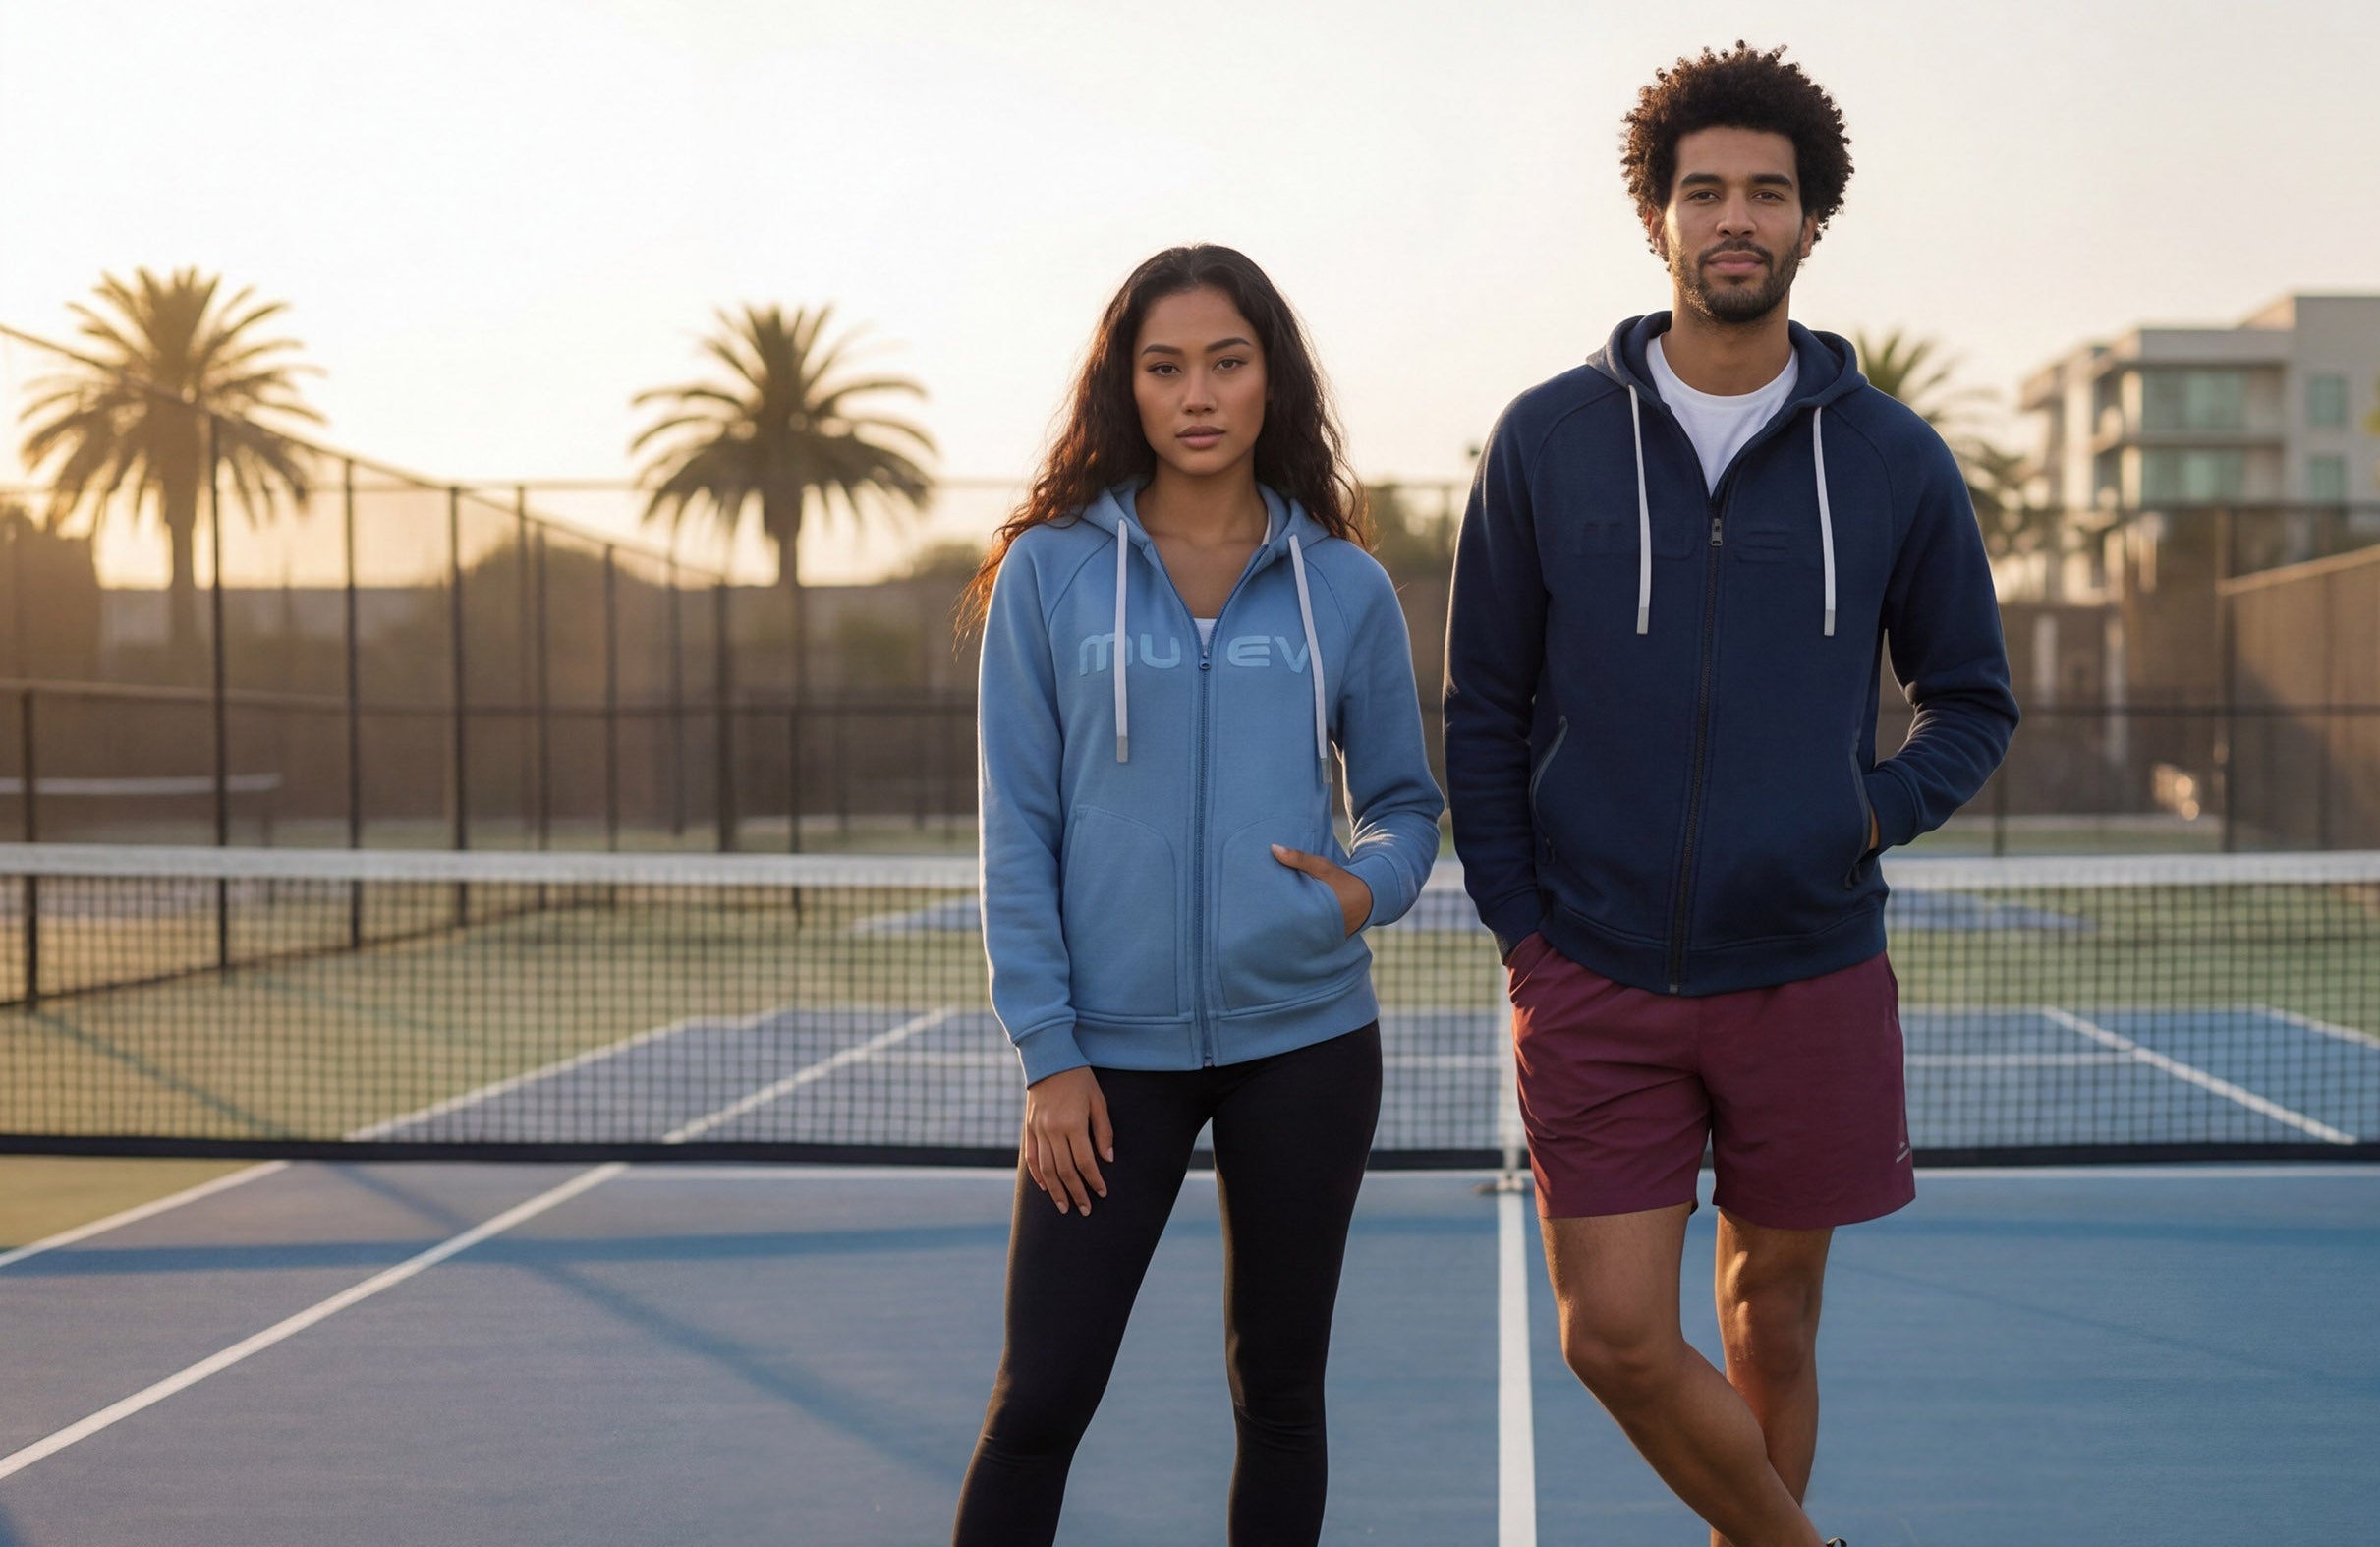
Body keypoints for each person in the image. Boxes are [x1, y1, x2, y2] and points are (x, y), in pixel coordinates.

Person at [1444, 43, 2017, 1547]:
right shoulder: (1544, 439)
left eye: (1767, 191)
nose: (1734, 218)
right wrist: (1523, 923)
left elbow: (1970, 695)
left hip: (1810, 965)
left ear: (1809, 221)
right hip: (1593, 962)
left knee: (1773, 1322)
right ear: (1657, 216)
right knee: (1613, 1332)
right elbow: (1483, 708)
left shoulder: (1892, 457)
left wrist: (1867, 814)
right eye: (1704, 191)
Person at [950, 243, 1443, 1547]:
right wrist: (1048, 1054)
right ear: (1128, 386)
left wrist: (1362, 891)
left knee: (1277, 1387)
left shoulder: (1342, 583)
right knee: (1041, 1392)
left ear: (1269, 377)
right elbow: (1019, 826)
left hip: (1308, 1044)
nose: (1198, 393)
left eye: (1227, 361)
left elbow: (1406, 801)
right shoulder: (1051, 572)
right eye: (1164, 367)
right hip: (1104, 1064)